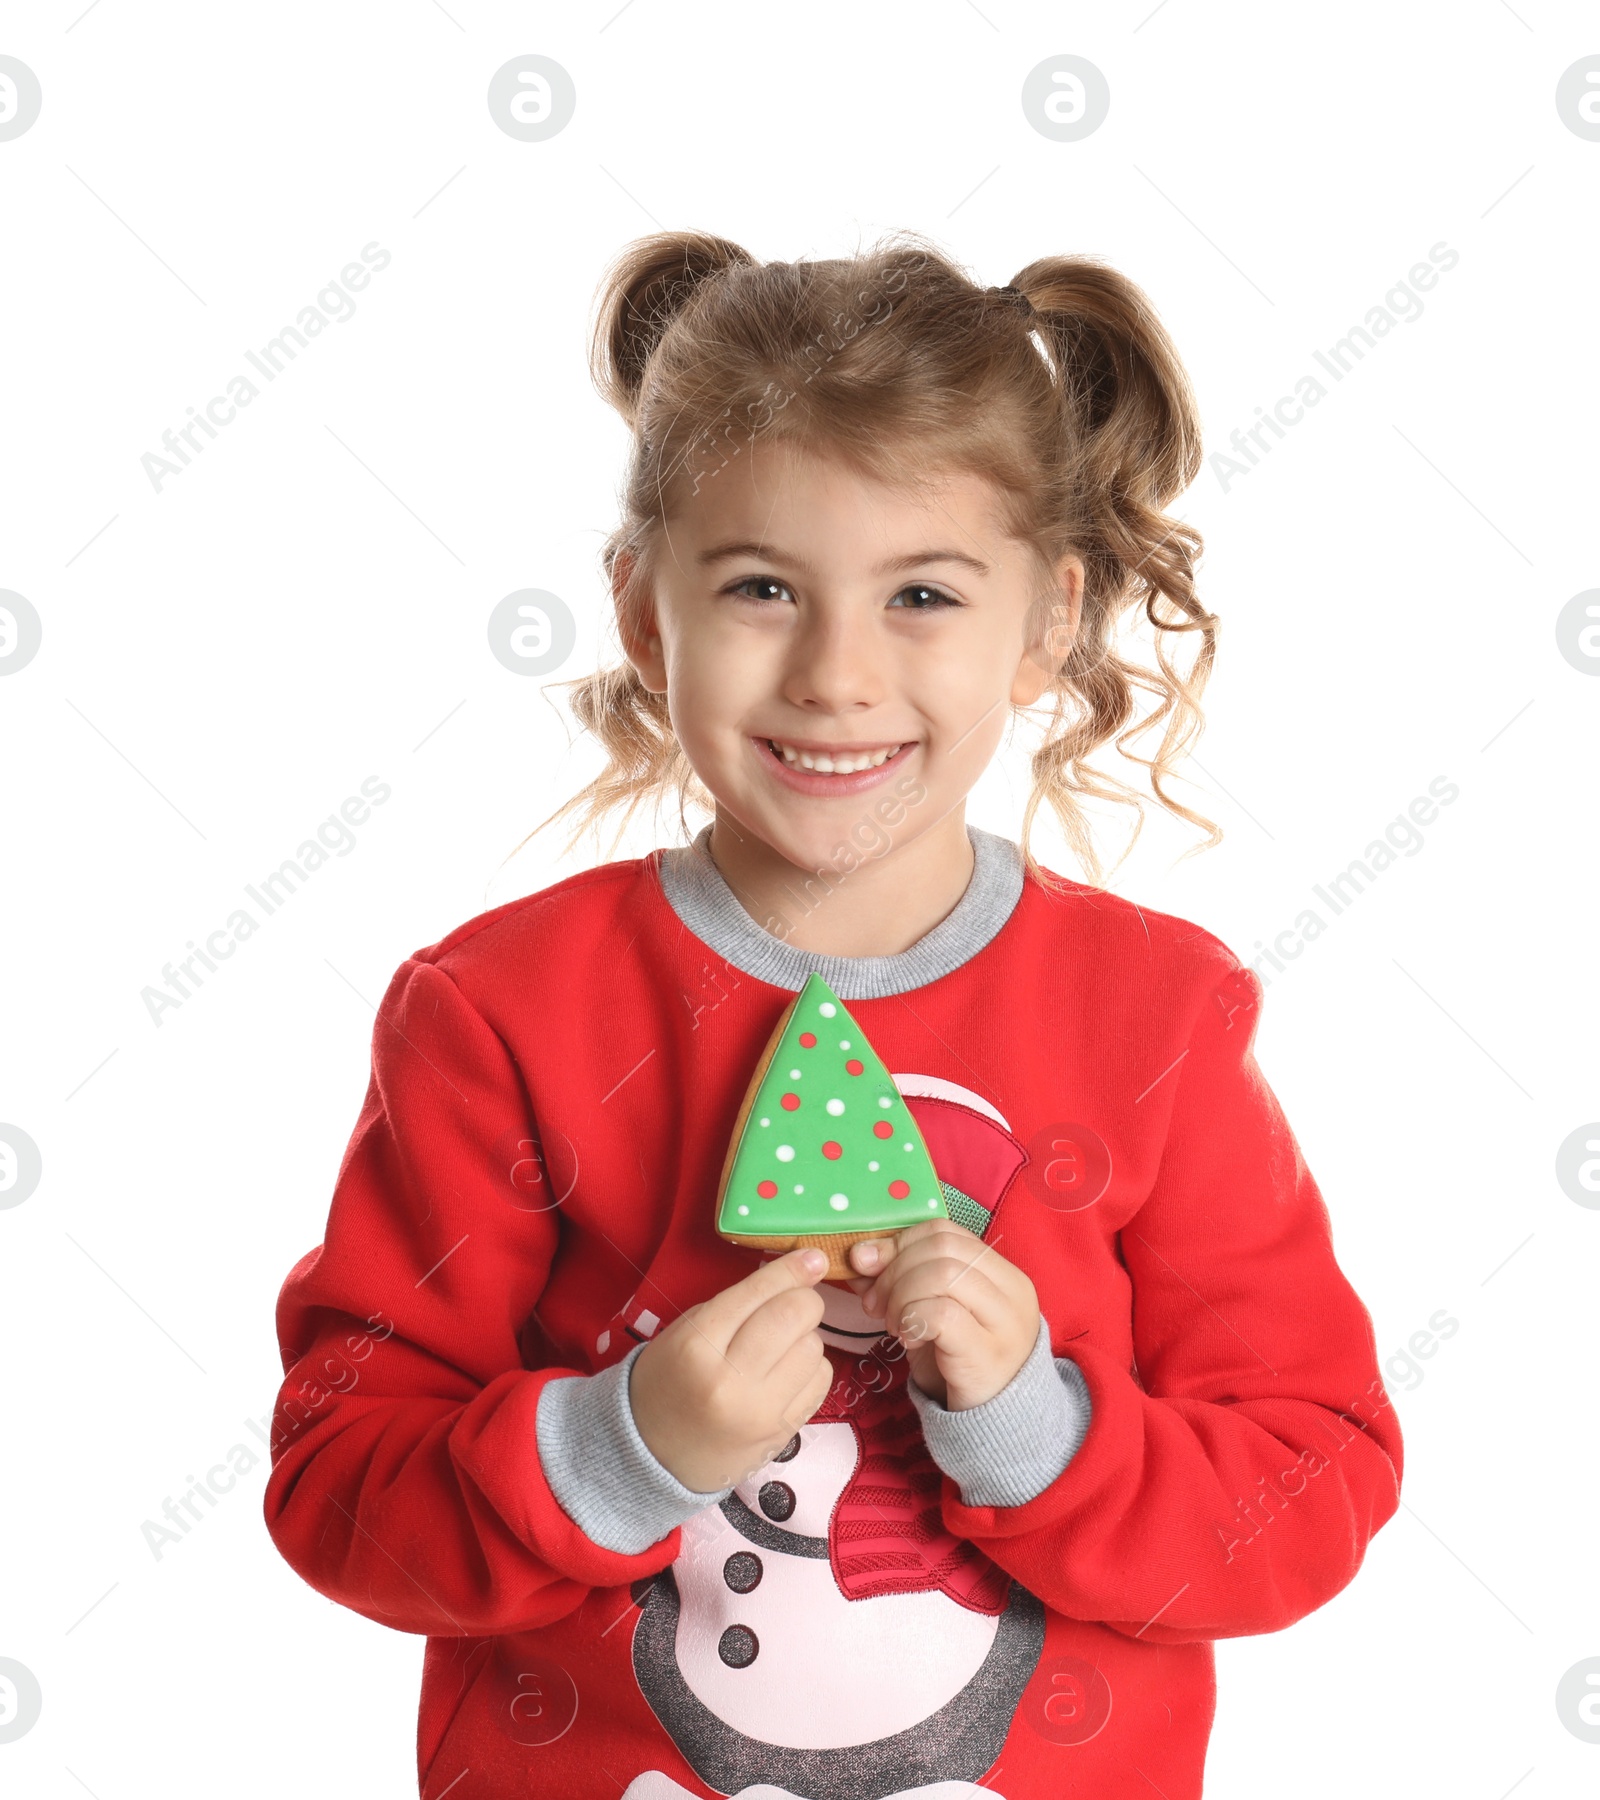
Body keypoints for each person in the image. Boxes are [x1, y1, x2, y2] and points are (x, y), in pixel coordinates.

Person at [263, 231, 1403, 1800]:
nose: (836, 675)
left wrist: (1042, 1434)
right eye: (761, 589)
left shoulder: (1160, 1018)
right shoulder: (497, 1014)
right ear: (647, 618)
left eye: (923, 592)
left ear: (1048, 623)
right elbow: (336, 1485)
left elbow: (1313, 1484)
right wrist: (616, 1447)